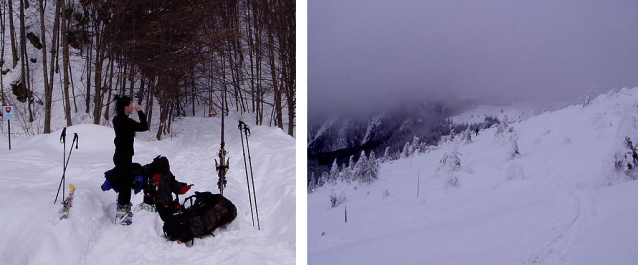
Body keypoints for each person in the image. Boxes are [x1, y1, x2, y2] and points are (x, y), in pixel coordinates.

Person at [112, 95, 148, 225]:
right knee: (125, 185)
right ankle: (121, 214)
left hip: (122, 156)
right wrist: (140, 111)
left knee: (126, 183)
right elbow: (144, 126)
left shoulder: (119, 119)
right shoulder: (125, 121)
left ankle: (124, 207)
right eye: (131, 105)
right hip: (122, 157)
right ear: (126, 107)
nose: (133, 107)